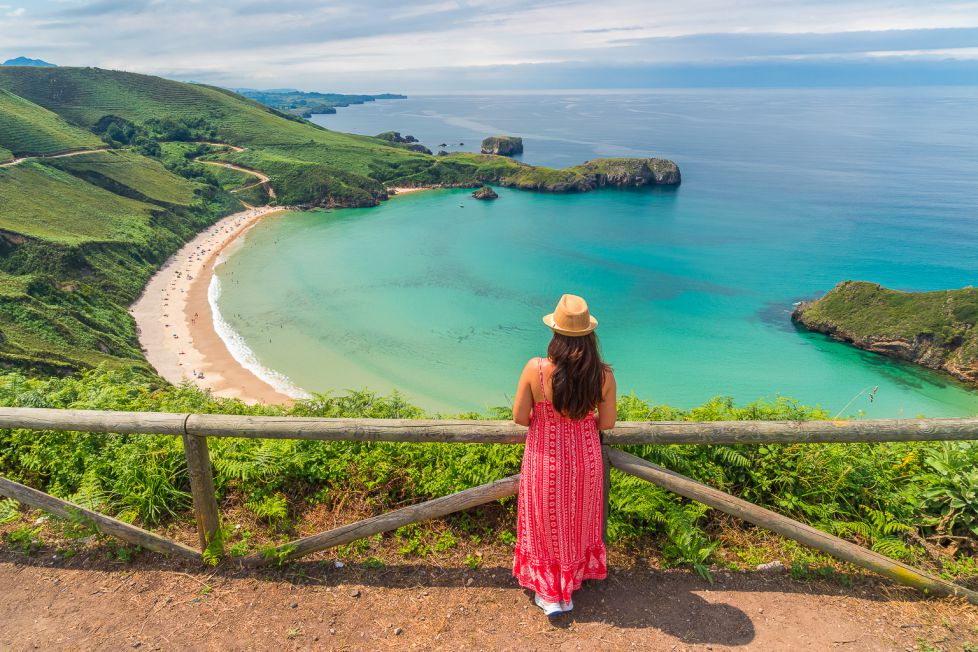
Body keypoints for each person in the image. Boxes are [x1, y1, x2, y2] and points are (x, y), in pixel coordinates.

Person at [512, 294, 616, 616]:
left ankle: (550, 593)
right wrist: (580, 423)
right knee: (578, 521)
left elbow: (519, 416)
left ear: (555, 334)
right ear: (589, 336)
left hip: (545, 455)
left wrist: (549, 420)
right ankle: (570, 585)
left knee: (544, 522)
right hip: (585, 457)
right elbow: (608, 422)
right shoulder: (602, 375)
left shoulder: (536, 369)